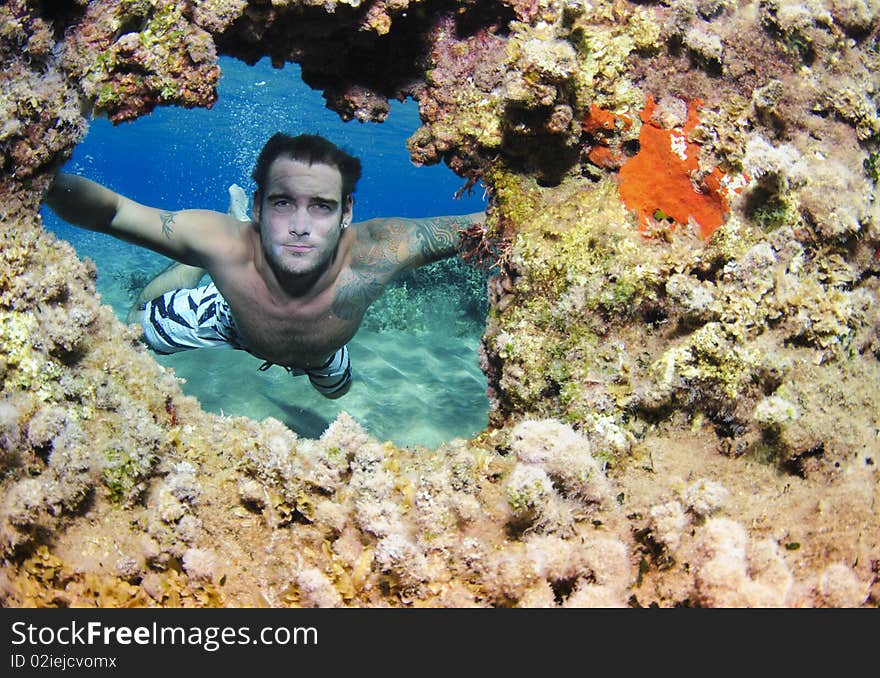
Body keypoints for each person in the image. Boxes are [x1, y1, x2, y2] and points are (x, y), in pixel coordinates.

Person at [44, 133, 484, 399]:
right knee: (137, 327)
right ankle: (198, 272)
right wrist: (34, 175)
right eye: (281, 203)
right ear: (258, 206)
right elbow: (114, 213)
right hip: (228, 318)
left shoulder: (378, 252)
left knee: (339, 392)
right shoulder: (222, 244)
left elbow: (487, 224)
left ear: (347, 212)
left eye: (322, 207)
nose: (299, 226)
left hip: (321, 352)